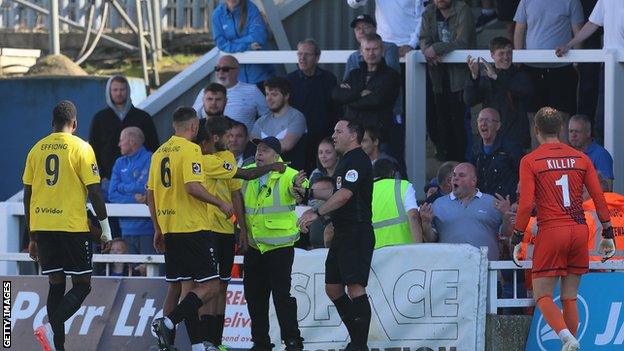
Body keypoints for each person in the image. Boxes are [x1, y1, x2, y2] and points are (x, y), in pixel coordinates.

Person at [511, 107, 615, 351]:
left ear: (536, 129)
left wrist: (517, 235)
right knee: (570, 296)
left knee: (543, 296)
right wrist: (607, 231)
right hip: (579, 229)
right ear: (560, 130)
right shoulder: (581, 158)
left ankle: (567, 338)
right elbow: (599, 196)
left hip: (552, 230)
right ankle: (571, 343)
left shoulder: (530, 161)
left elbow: (526, 204)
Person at [24, 100, 112, 351]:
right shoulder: (82, 148)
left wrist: (32, 236)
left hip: (43, 226)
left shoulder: (36, 149)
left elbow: (28, 196)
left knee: (56, 283)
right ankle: (51, 329)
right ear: (74, 124)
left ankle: (57, 347)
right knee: (82, 285)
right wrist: (105, 228)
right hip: (72, 226)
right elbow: (94, 191)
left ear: (52, 124)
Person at [148, 107, 235, 351]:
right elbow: (192, 187)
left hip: (170, 229)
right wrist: (220, 202)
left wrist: (157, 228)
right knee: (211, 286)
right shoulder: (191, 149)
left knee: (185, 287)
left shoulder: (159, 153)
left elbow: (150, 194)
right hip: (193, 227)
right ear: (194, 127)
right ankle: (168, 321)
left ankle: (194, 345)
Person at [297, 119, 375, 351]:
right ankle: (358, 341)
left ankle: (359, 345)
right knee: (333, 287)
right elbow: (335, 191)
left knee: (355, 287)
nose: (333, 135)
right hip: (343, 233)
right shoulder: (346, 162)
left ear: (353, 136)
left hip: (356, 231)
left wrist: (316, 213)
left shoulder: (358, 159)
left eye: (338, 131)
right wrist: (308, 192)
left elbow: (344, 196)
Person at [242, 136, 305, 351]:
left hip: (280, 247)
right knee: (254, 297)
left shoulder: (288, 173)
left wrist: (300, 188)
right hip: (254, 246)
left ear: (276, 156)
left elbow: (300, 186)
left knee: (281, 297)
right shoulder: (247, 171)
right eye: (258, 149)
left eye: (265, 150)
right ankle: (260, 343)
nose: (259, 153)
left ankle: (293, 341)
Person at [555, 0, 624, 141]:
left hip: (616, 63)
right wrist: (570, 44)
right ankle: (604, 161)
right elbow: (593, 23)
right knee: (603, 120)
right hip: (610, 66)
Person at [419, 0, 476, 162]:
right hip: (437, 76)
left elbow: (463, 42)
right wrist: (427, 51)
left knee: (460, 125)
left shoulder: (463, 9)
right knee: (440, 124)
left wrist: (435, 49)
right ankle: (447, 169)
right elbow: (423, 39)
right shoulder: (428, 12)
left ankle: (464, 166)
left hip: (459, 78)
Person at [419, 163, 511, 261]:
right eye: (454, 175)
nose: (455, 178)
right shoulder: (438, 204)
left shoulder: (492, 202)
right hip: (452, 270)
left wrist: (506, 216)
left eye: (461, 175)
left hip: (485, 270)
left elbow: (506, 235)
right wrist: (426, 223)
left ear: (473, 181)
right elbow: (430, 239)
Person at [514, 0, 584, 120]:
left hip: (562, 68)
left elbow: (579, 33)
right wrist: (519, 60)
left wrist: (576, 62)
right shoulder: (526, 1)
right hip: (531, 69)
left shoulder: (572, 1)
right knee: (534, 118)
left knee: (562, 117)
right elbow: (519, 30)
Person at [332, 33, 400, 149]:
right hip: (352, 136)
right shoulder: (354, 74)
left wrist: (349, 99)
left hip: (377, 137)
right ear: (361, 51)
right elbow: (336, 95)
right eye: (367, 49)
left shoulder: (390, 76)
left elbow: (376, 101)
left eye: (375, 49)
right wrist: (359, 94)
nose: (371, 53)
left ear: (382, 50)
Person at [464, 37, 532, 148]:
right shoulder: (486, 79)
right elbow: (469, 100)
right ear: (492, 55)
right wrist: (474, 77)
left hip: (516, 140)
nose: (506, 57)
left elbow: (525, 92)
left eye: (509, 53)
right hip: (492, 140)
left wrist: (497, 77)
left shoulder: (520, 75)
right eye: (501, 53)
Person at [89, 75, 159, 183]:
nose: (119, 93)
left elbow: (154, 147)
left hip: (140, 180)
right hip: (108, 180)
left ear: (128, 90)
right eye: (115, 90)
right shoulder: (100, 118)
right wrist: (101, 176)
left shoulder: (143, 117)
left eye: (122, 89)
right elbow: (93, 150)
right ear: (109, 91)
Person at [287, 38, 338, 172]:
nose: (302, 58)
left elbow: (335, 110)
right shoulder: (289, 80)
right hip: (297, 139)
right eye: (299, 54)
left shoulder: (329, 79)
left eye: (307, 54)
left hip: (322, 138)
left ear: (317, 57)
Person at [108, 127, 155, 255]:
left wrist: (122, 187)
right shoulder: (119, 162)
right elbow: (112, 194)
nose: (119, 144)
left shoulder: (151, 159)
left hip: (148, 228)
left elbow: (146, 189)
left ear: (132, 142)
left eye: (121, 140)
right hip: (125, 228)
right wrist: (134, 198)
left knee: (149, 270)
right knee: (131, 270)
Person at [192, 55, 269, 132]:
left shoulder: (252, 90)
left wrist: (256, 136)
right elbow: (193, 117)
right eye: (217, 69)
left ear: (237, 70)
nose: (220, 72)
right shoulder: (205, 91)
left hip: (240, 141)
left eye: (225, 69)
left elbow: (267, 116)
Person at [251, 77, 307, 170]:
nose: (269, 98)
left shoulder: (297, 117)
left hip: (290, 175)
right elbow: (252, 146)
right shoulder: (261, 120)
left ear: (286, 96)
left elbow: (286, 145)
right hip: (262, 174)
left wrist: (261, 146)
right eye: (267, 94)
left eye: (274, 94)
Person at [211, 0, 274, 84]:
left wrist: (232, 42)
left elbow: (259, 37)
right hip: (235, 78)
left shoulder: (251, 8)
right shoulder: (217, 14)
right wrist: (246, 46)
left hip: (259, 75)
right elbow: (221, 44)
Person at [471, 108, 523, 202]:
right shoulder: (475, 149)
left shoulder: (511, 148)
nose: (483, 124)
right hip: (482, 203)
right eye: (480, 120)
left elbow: (524, 177)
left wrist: (518, 202)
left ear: (498, 126)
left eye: (488, 120)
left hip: (506, 204)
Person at [372, 159, 423, 248]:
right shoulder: (403, 186)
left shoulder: (365, 191)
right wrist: (418, 248)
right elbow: (413, 216)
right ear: (392, 172)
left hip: (375, 254)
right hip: (403, 253)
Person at [346, 0, 425, 58]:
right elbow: (352, 3)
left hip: (410, 45)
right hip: (383, 46)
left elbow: (423, 17)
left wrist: (412, 44)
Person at [344, 14, 400, 79]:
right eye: (358, 28)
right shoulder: (353, 57)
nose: (361, 31)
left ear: (375, 29)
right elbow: (346, 83)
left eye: (365, 27)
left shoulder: (389, 48)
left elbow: (390, 76)